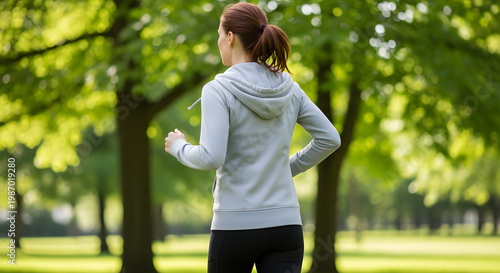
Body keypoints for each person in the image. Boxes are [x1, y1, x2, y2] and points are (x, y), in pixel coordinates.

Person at [164, 2, 340, 273]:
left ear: (230, 37)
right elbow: (330, 139)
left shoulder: (218, 90)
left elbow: (211, 157)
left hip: (236, 226)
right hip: (286, 226)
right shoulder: (289, 88)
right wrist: (285, 169)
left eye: (219, 35)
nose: (219, 42)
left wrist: (179, 147)